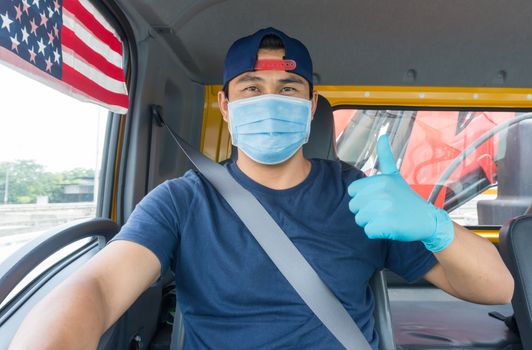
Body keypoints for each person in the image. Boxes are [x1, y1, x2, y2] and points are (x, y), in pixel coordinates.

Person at [9, 27, 514, 350]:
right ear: (226, 107)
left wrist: (434, 224)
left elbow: (497, 289)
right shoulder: (181, 202)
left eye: (288, 89)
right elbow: (96, 287)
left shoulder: (362, 196)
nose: (270, 100)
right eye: (251, 88)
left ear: (311, 106)